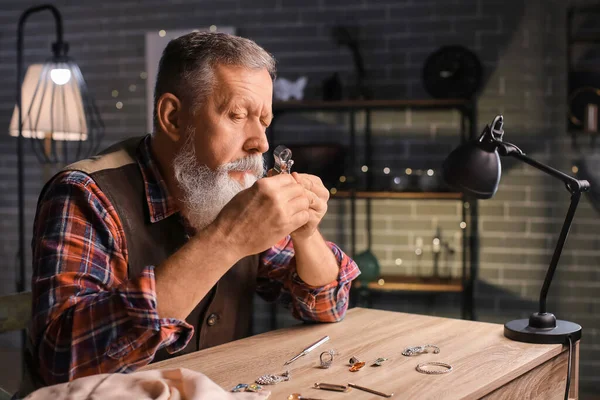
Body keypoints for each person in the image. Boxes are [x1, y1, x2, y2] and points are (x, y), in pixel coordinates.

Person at [26, 31, 360, 388]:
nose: (260, 142)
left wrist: (305, 232)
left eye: (263, 121)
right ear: (173, 117)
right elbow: (64, 365)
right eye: (237, 115)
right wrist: (227, 239)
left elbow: (326, 305)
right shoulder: (85, 193)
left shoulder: (227, 184)